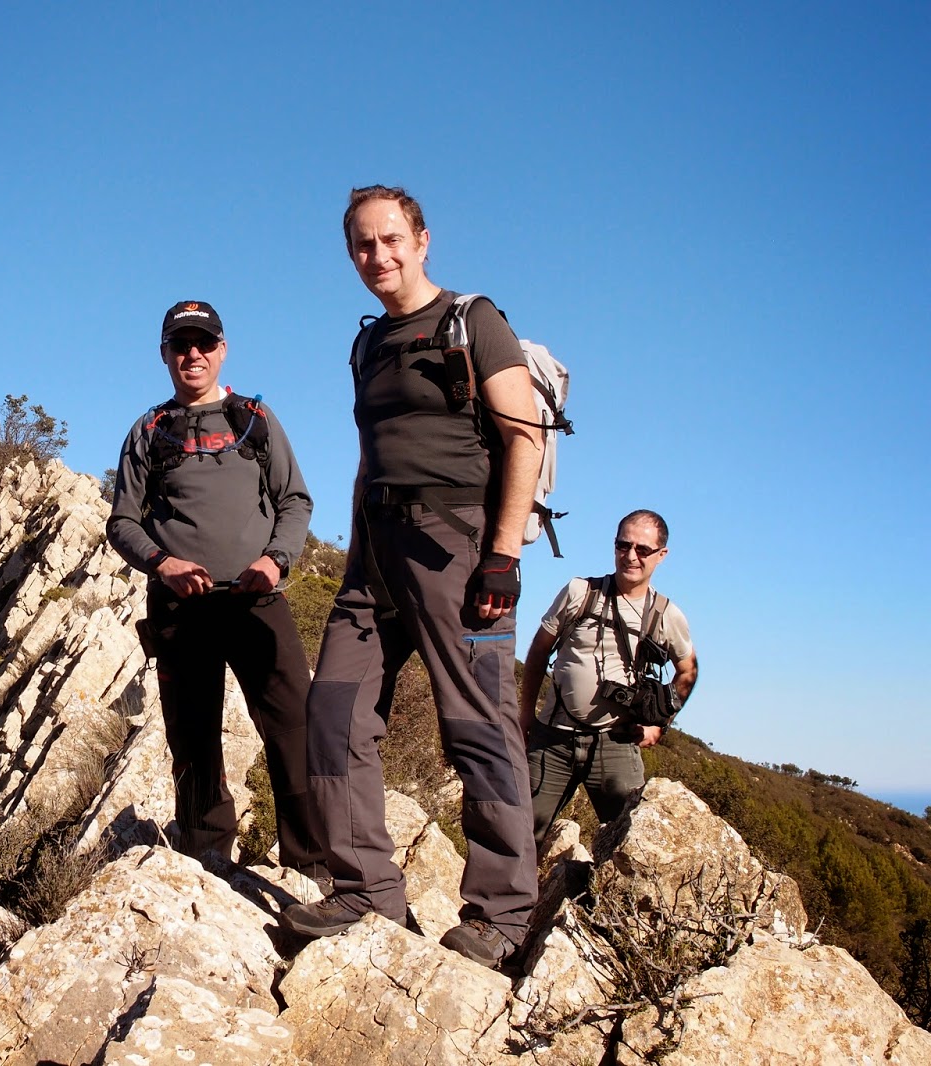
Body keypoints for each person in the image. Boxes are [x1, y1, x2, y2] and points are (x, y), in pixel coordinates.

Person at [282, 186, 544, 971]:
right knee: (333, 710)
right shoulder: (368, 344)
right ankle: (366, 890)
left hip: (456, 544)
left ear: (423, 240)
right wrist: (357, 548)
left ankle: (503, 915)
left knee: (478, 724)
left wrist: (503, 555)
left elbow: (524, 436)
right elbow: (370, 457)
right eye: (363, 244)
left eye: (391, 239)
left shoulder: (473, 320)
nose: (378, 256)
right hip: (376, 550)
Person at [107, 300, 324, 877]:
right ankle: (207, 857)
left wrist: (277, 560)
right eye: (180, 345)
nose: (193, 354)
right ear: (164, 355)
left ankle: (311, 862)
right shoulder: (149, 430)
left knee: (295, 727)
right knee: (192, 733)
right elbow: (122, 522)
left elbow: (295, 500)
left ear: (222, 350)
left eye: (203, 343)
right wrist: (163, 563)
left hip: (257, 599)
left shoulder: (254, 418)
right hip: (182, 608)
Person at [519, 510, 698, 841]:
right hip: (553, 737)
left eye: (642, 549)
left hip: (616, 743)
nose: (630, 556)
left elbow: (687, 670)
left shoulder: (665, 614)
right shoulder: (580, 592)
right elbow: (539, 651)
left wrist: (659, 724)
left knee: (628, 842)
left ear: (661, 555)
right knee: (520, 836)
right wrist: (526, 713)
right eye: (623, 545)